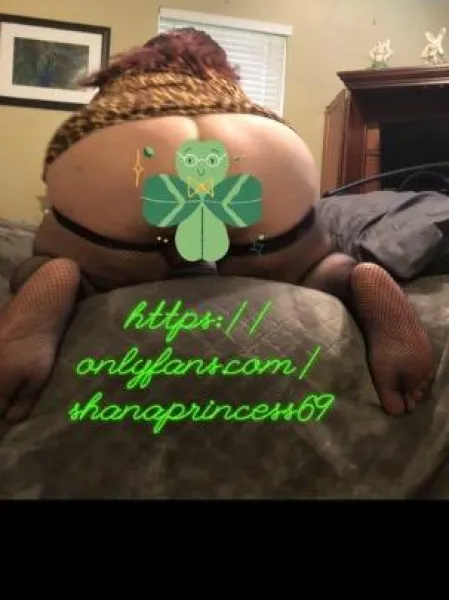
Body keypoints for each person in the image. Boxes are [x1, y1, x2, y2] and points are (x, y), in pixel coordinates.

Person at [0, 29, 433, 424]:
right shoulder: (232, 96)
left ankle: (59, 275)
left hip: (131, 150)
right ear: (221, 68)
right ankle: (353, 277)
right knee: (315, 263)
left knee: (58, 253)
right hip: (255, 147)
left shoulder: (122, 93)